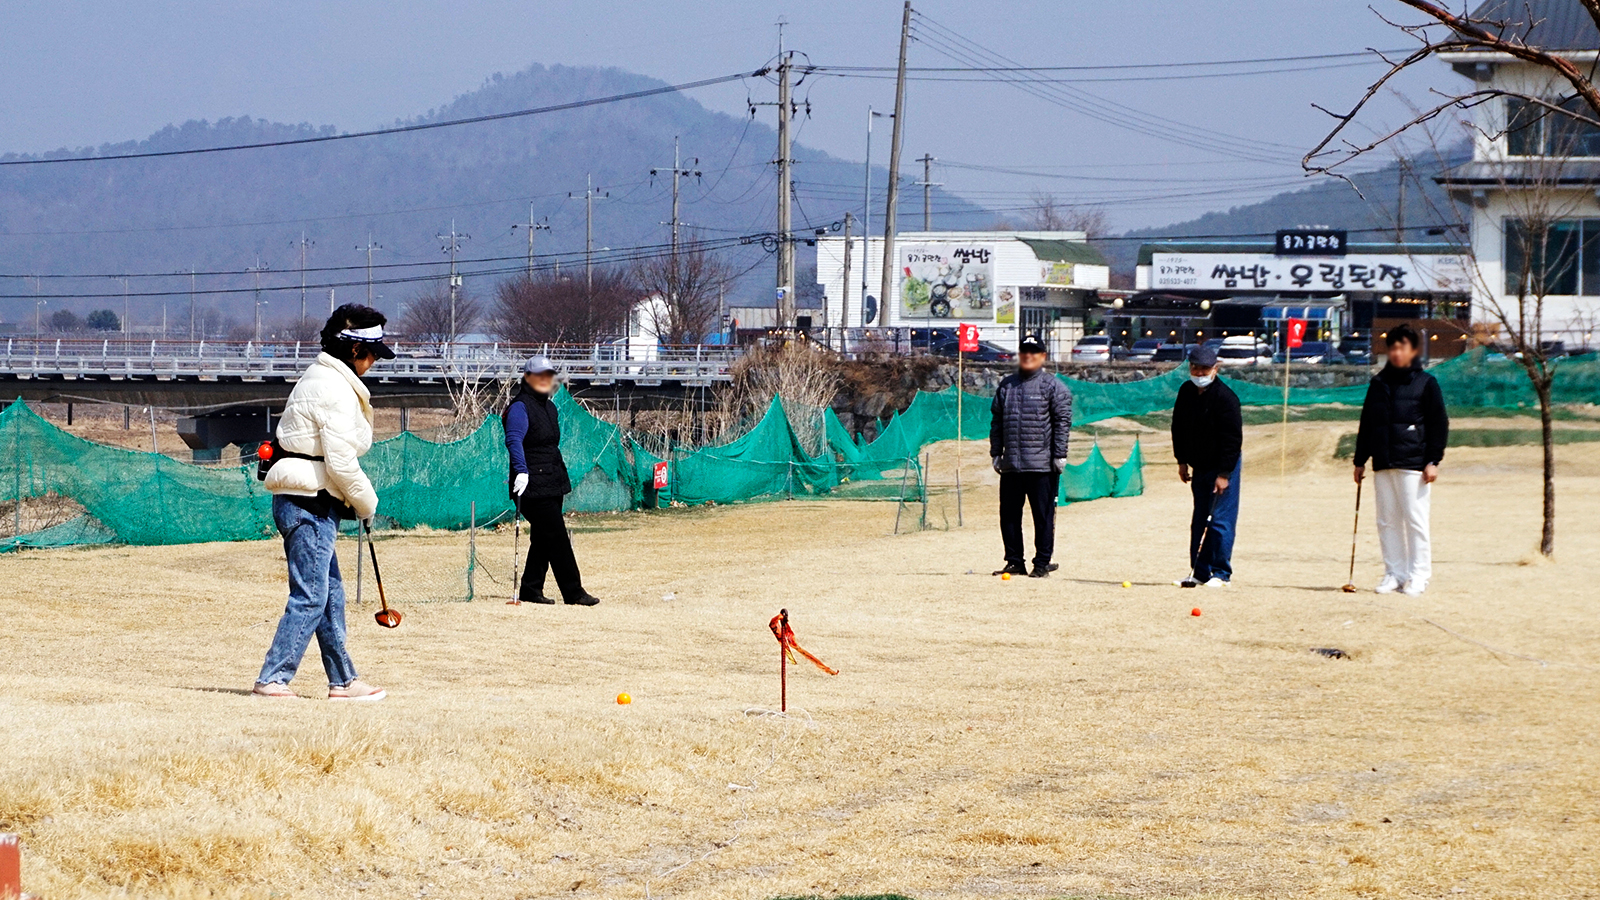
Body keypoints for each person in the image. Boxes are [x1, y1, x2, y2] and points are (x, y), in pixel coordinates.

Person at [252, 304, 393, 701]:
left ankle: (344, 680)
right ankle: (273, 678)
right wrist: (366, 503)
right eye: (371, 354)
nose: (373, 363)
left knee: (329, 595)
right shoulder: (333, 389)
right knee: (311, 596)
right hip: (309, 503)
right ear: (353, 351)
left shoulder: (321, 379)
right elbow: (342, 462)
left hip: (305, 499)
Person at [1354, 323, 1448, 596]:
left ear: (1413, 350)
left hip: (1413, 463)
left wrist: (1433, 460)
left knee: (1415, 520)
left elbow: (1438, 423)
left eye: (1402, 347)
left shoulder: (1426, 383)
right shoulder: (1378, 383)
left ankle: (1419, 575)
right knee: (1386, 520)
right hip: (1383, 461)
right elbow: (1367, 423)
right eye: (1393, 347)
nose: (1396, 353)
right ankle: (1394, 572)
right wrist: (1360, 460)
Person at [505, 356, 600, 606]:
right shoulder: (519, 407)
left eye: (548, 376)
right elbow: (514, 440)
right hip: (530, 484)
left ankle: (530, 588)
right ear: (527, 378)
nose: (545, 380)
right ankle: (574, 592)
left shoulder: (550, 407)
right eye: (539, 376)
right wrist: (521, 471)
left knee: (543, 537)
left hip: (553, 479)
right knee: (557, 537)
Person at [989, 333, 1073, 578]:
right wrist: (996, 453)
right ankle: (1014, 561)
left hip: (1041, 466)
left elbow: (1062, 423)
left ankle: (1042, 563)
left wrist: (1059, 455)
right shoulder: (1007, 385)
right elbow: (997, 422)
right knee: (1009, 516)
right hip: (1012, 465)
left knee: (1043, 517)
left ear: (1042, 356)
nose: (1028, 356)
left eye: (1033, 352)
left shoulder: (1053, 387)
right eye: (1024, 351)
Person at [1170, 345, 1243, 588]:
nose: (1199, 373)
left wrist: (1224, 474)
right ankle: (1199, 571)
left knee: (1220, 519)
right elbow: (1178, 428)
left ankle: (1221, 573)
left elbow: (1233, 440)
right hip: (1198, 464)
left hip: (1222, 465)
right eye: (1195, 368)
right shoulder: (1186, 392)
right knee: (1200, 519)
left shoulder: (1226, 398)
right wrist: (1181, 460)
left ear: (1215, 369)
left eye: (1204, 369)